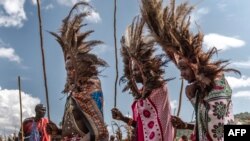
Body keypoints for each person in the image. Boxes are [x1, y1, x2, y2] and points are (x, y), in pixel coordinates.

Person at [140, 0, 241, 140]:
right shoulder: (202, 88)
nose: (181, 74)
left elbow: (221, 130)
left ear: (195, 64)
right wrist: (186, 126)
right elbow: (207, 124)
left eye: (183, 68)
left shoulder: (217, 85)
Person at [46, 2, 109, 141]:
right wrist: (57, 131)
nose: (68, 72)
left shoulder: (90, 90)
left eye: (72, 68)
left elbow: (99, 133)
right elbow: (75, 131)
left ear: (81, 67)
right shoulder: (74, 94)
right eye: (66, 69)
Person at [111, 17, 174, 141]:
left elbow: (155, 80)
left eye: (136, 69)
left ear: (145, 68)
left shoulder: (159, 87)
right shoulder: (140, 94)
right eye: (132, 70)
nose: (133, 73)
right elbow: (139, 126)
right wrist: (122, 118)